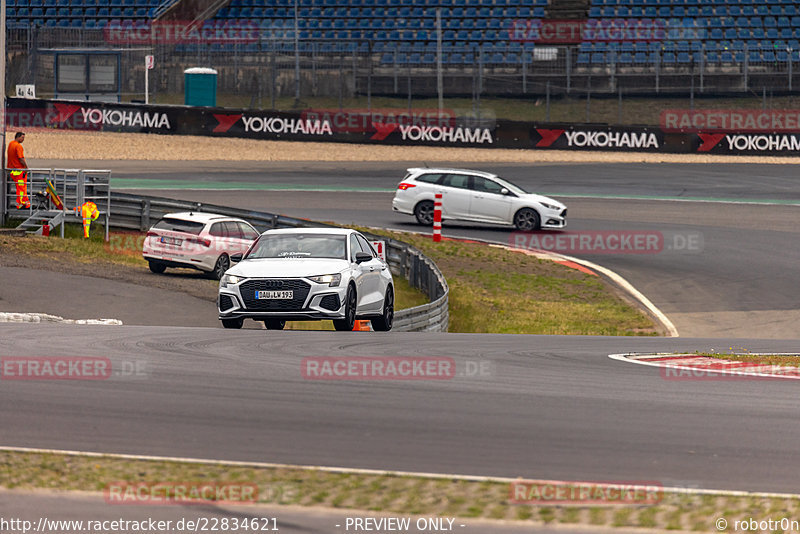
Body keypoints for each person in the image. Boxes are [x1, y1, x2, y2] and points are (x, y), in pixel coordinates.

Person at [7, 132, 29, 209]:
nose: (23, 139)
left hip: (12, 171)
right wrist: (26, 167)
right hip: (19, 171)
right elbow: (21, 158)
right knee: (21, 188)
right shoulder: (18, 146)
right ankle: (21, 203)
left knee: (20, 187)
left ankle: (25, 202)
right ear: (18, 137)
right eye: (22, 138)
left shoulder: (10, 144)